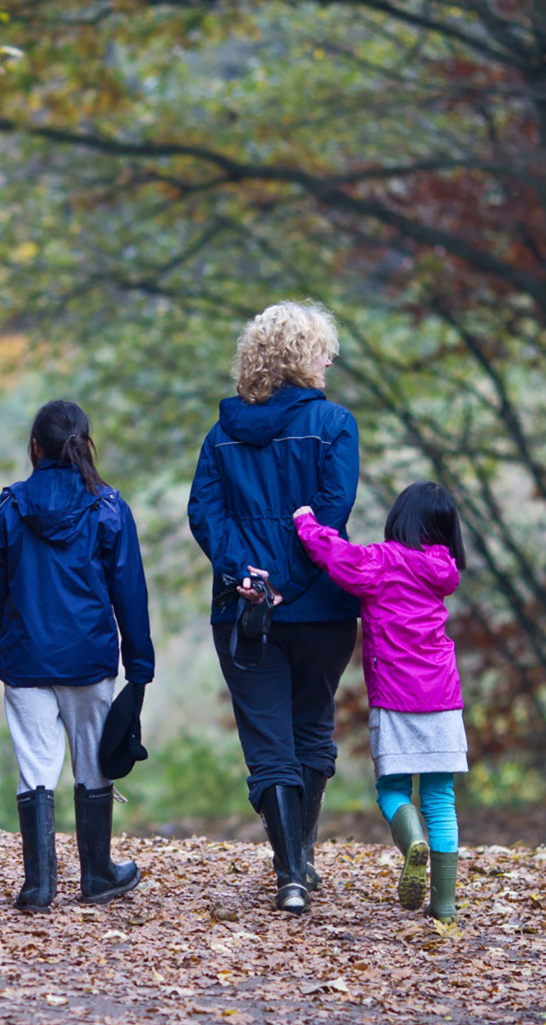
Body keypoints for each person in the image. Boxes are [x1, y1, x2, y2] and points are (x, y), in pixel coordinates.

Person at [187, 300, 360, 915]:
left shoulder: (220, 434)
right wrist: (285, 580)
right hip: (322, 607)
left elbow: (204, 515)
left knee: (267, 743)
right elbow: (331, 512)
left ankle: (292, 874)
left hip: (243, 611)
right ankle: (301, 861)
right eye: (323, 351)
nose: (329, 361)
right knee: (312, 729)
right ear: (303, 357)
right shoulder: (335, 425)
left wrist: (249, 577)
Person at [0, 399, 155, 913]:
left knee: (35, 767)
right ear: (84, 445)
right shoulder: (108, 508)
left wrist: (6, 648)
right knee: (92, 763)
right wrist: (139, 665)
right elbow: (129, 592)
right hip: (89, 658)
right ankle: (97, 876)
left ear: (35, 447)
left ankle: (39, 887)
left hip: (26, 657)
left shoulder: (8, 508)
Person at [293, 481, 469, 921]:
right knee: (441, 798)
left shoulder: (382, 562)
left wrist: (306, 523)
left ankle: (412, 843)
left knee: (392, 789)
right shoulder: (442, 570)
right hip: (443, 698)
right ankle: (444, 905)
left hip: (395, 697)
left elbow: (337, 557)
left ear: (399, 519)